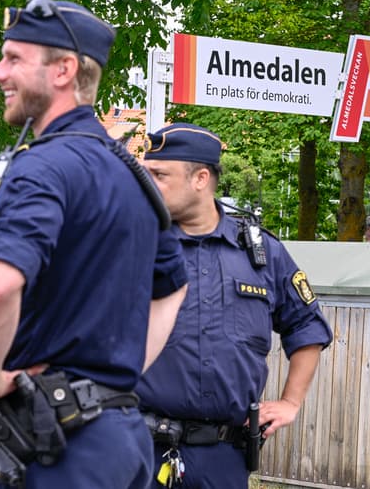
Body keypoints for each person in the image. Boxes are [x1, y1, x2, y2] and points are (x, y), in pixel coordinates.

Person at [0, 0, 189, 489]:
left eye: (14, 59)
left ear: (64, 70)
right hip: (121, 439)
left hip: (66, 448)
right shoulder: (133, 175)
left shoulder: (42, 167)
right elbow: (173, 287)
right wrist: (113, 375)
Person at [138, 123, 333, 489]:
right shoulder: (134, 243)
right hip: (138, 449)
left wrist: (291, 402)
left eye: (160, 175)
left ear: (200, 178)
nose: (147, 184)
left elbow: (307, 328)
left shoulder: (260, 254)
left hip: (222, 458)